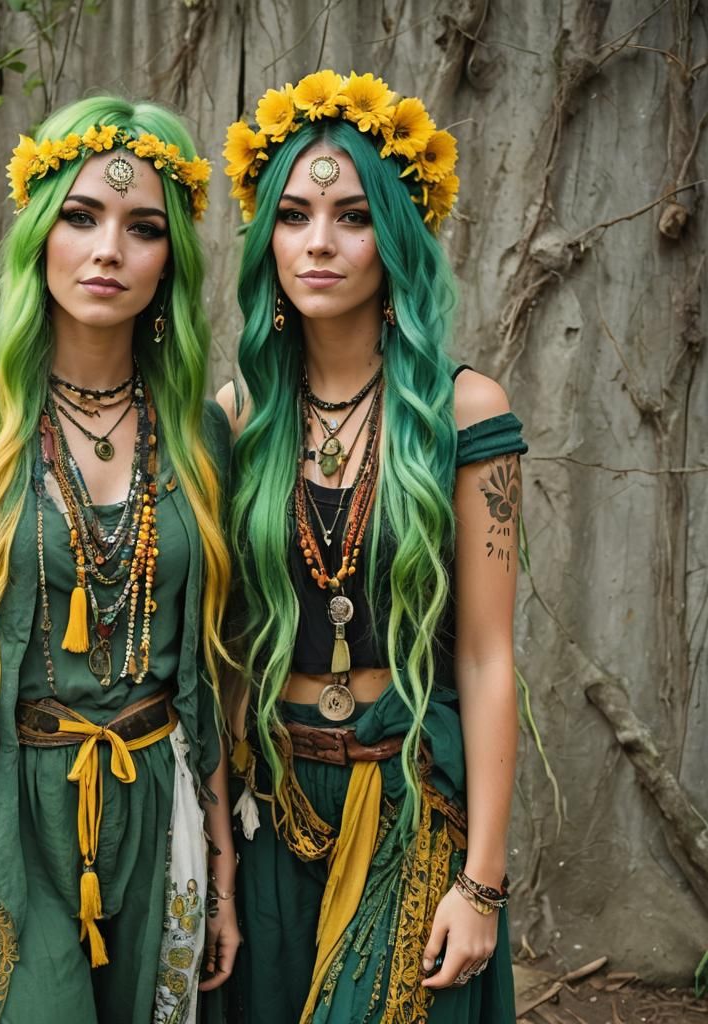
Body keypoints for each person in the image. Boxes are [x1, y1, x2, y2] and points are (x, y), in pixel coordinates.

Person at [0, 96, 240, 1024]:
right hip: (15, 807)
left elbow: (209, 670)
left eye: (143, 227)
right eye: (79, 217)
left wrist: (225, 876)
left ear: (171, 262)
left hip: (159, 808)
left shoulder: (203, 434)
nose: (108, 249)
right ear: (39, 235)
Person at [217, 70, 525, 1023]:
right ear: (266, 237)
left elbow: (485, 656)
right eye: (295, 215)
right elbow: (222, 657)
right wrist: (217, 860)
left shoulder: (465, 412)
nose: (319, 242)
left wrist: (482, 882)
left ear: (395, 237)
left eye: (351, 216)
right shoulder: (237, 422)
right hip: (272, 806)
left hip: (410, 796)